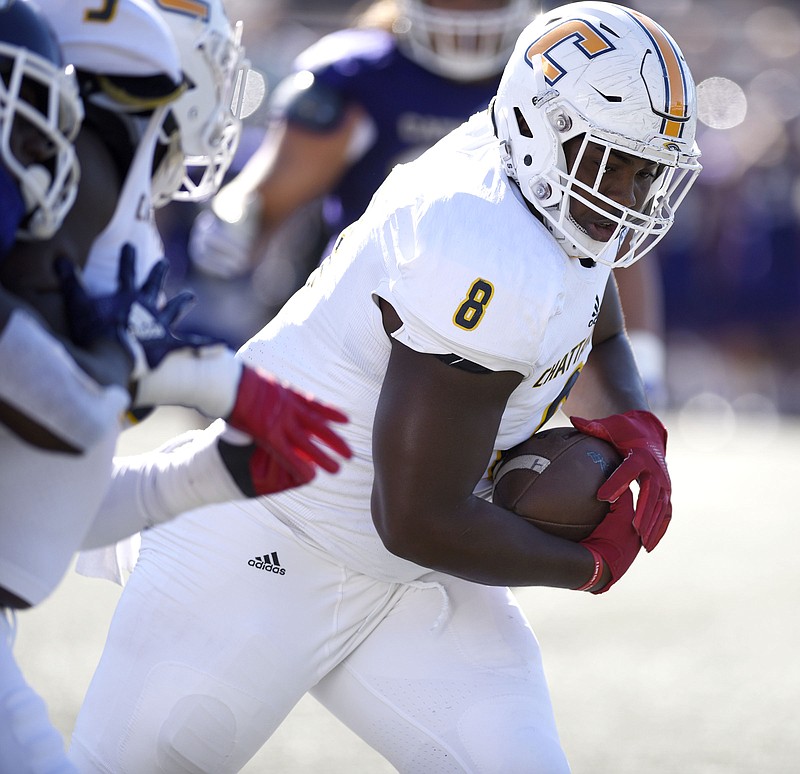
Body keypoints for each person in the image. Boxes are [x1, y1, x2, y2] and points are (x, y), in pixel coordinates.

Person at [70, 3, 701, 772]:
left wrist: (633, 426)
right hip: (266, 539)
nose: (632, 195)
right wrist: (588, 564)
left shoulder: (543, 175)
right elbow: (415, 516)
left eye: (648, 171)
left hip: (412, 574)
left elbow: (596, 313)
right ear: (548, 128)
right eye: (615, 163)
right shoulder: (478, 238)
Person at [0, 2, 351, 771]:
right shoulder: (66, 188)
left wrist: (205, 475)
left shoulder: (93, 214)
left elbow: (35, 499)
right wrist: (203, 378)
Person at [184, 0, 535, 343]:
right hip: (367, 309)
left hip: (516, 308)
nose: (467, 12)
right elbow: (269, 193)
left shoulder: (548, 70)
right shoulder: (361, 74)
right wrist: (239, 213)